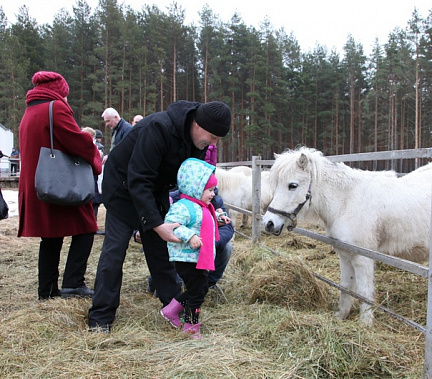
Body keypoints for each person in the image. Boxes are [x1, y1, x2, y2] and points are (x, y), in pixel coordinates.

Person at [88, 100, 231, 332]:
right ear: (196, 123)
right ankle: (101, 317)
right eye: (212, 136)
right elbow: (138, 178)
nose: (212, 144)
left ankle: (174, 307)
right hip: (122, 189)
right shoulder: (158, 128)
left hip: (154, 191)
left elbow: (193, 182)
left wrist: (212, 210)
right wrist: (155, 224)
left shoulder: (197, 141)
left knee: (160, 252)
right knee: (114, 251)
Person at [17, 71, 102, 300]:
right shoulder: (55, 108)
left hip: (40, 183)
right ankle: (73, 282)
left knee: (51, 237)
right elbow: (77, 140)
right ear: (60, 90)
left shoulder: (30, 110)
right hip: (60, 182)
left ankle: (47, 291)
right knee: (87, 227)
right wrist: (94, 155)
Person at [160, 158, 230, 338]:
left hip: (198, 257)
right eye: (209, 190)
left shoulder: (202, 207)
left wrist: (219, 220)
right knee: (198, 292)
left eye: (214, 190)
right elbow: (172, 224)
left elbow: (202, 224)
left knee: (199, 288)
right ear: (196, 189)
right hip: (186, 257)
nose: (213, 194)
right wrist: (189, 236)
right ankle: (191, 327)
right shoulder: (184, 207)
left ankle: (171, 310)